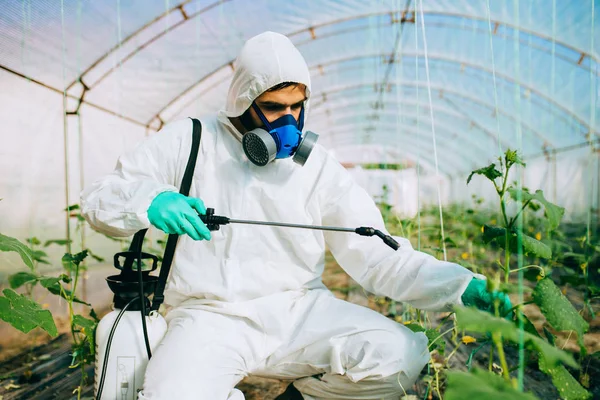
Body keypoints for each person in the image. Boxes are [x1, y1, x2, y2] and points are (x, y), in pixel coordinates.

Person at [81, 31, 511, 400]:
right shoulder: (191, 141)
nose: (288, 122)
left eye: (297, 106)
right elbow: (100, 197)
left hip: (298, 311)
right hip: (206, 316)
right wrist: (150, 200)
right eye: (273, 108)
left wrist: (458, 285)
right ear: (243, 102)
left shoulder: (318, 167)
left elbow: (378, 255)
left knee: (399, 356)